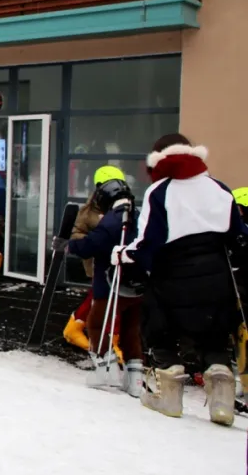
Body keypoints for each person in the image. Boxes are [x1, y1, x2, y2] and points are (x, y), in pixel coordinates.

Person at [114, 134, 248, 425]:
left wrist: (123, 254)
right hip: (216, 278)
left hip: (170, 277)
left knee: (160, 334)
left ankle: (169, 395)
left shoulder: (160, 191)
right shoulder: (219, 188)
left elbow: (149, 242)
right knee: (214, 337)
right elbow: (238, 237)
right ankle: (222, 399)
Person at [61, 178, 144, 394]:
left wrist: (69, 245)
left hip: (110, 285)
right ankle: (135, 378)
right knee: (131, 330)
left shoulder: (111, 222)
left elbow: (90, 245)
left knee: (96, 325)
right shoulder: (140, 216)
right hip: (138, 287)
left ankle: (106, 369)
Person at [63, 166, 127, 352]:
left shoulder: (123, 208)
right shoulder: (89, 210)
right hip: (99, 264)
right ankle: (108, 341)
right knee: (104, 300)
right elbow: (77, 234)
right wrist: (93, 241)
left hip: (119, 265)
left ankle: (77, 329)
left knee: (108, 299)